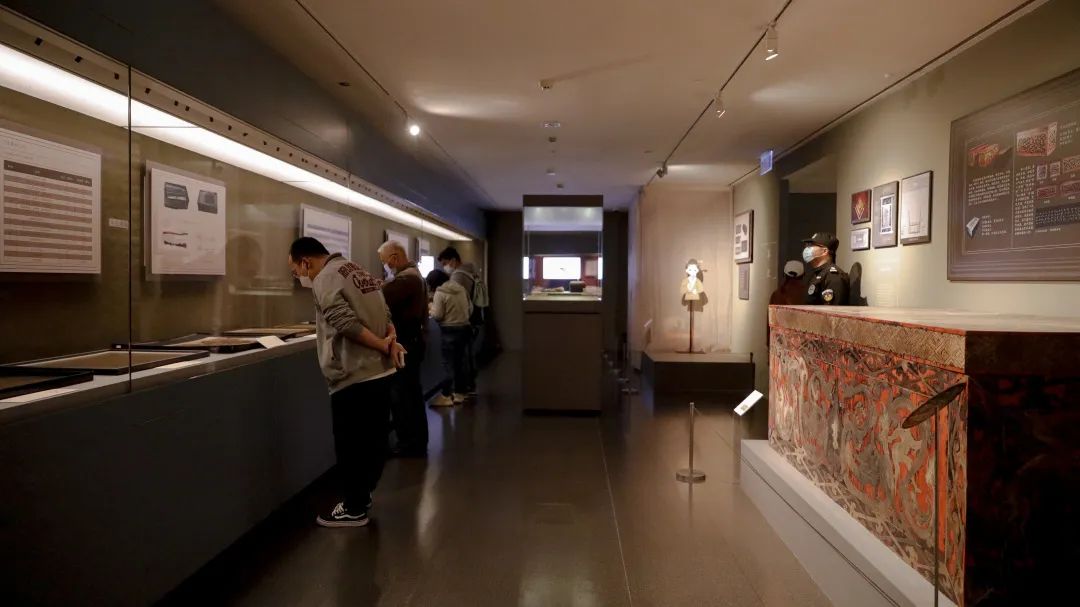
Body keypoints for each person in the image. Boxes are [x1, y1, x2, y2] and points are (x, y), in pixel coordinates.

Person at [288, 237, 405, 528]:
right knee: (373, 441)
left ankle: (354, 508)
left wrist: (381, 344)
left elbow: (344, 323)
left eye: (296, 270)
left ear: (306, 262)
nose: (299, 276)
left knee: (351, 445)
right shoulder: (356, 269)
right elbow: (385, 312)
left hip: (353, 373)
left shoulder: (325, 278)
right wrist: (390, 341)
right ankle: (362, 497)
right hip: (380, 371)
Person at [378, 240, 429, 457]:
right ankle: (414, 441)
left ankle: (408, 443)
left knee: (403, 395)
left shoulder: (407, 279)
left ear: (394, 258)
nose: (385, 266)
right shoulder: (414, 275)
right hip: (413, 341)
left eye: (384, 261)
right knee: (411, 394)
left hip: (406, 343)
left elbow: (379, 296)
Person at [436, 247, 484, 395]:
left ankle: (461, 390)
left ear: (453, 260)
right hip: (473, 319)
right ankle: (469, 386)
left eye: (445, 263)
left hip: (460, 323)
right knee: (467, 356)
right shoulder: (471, 271)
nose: (445, 267)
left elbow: (454, 301)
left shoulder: (458, 276)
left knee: (458, 360)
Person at [429, 263, 473, 407]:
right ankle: (460, 393)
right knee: (461, 362)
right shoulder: (461, 289)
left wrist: (430, 308)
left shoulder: (440, 293)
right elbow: (470, 308)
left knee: (448, 364)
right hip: (465, 328)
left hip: (449, 330)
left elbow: (438, 315)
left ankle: (446, 395)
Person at [801, 232, 849, 306]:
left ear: (824, 251)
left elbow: (832, 310)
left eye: (811, 245)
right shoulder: (818, 273)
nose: (807, 248)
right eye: (807, 245)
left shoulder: (833, 276)